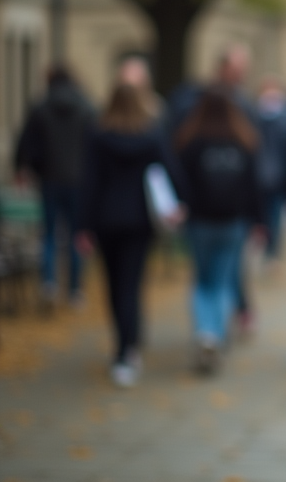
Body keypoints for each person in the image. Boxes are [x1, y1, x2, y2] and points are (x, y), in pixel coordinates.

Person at [77, 83, 182, 388]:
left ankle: (122, 347)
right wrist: (179, 204)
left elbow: (90, 182)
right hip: (139, 219)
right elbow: (170, 170)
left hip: (107, 219)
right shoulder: (151, 135)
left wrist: (83, 226)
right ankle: (131, 346)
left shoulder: (98, 136)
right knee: (132, 284)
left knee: (114, 285)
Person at [175, 89, 263, 374]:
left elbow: (180, 182)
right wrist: (259, 220)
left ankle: (205, 332)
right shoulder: (243, 141)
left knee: (202, 281)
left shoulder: (191, 142)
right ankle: (216, 334)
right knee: (224, 281)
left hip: (200, 221)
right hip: (233, 222)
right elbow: (254, 186)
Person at [14, 66, 96, 309]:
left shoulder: (41, 107)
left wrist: (22, 166)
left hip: (49, 178)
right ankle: (74, 289)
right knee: (75, 235)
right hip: (78, 181)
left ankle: (48, 282)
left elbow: (26, 141)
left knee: (48, 233)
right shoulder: (87, 108)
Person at [254, 77, 286, 262]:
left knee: (273, 215)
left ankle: (270, 250)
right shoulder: (285, 116)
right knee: (270, 215)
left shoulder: (281, 116)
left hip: (272, 175)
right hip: (271, 175)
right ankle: (269, 249)